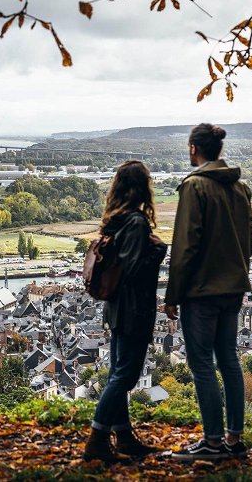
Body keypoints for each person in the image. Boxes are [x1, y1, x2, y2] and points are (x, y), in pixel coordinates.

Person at [164, 123, 252, 461]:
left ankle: (213, 442)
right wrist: (236, 273)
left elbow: (185, 247)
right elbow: (250, 243)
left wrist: (173, 295)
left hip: (201, 291)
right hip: (233, 289)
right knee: (229, 359)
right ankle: (234, 439)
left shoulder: (196, 187)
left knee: (202, 364)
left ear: (193, 149)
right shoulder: (240, 188)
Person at [83, 161, 168, 464]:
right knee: (125, 376)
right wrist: (157, 253)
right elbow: (133, 271)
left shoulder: (116, 220)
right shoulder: (136, 223)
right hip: (134, 309)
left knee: (117, 373)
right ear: (141, 188)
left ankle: (125, 436)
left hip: (117, 307)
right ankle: (97, 438)